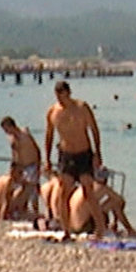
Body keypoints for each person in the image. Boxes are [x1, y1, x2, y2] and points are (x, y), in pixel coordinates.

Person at [44, 81, 103, 230]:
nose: (59, 99)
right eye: (57, 95)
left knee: (88, 191)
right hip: (66, 155)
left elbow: (94, 130)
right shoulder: (53, 112)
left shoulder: (81, 108)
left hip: (83, 154)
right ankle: (66, 230)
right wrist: (47, 159)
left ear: (68, 93)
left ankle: (100, 228)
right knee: (63, 193)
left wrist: (98, 153)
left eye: (61, 95)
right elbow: (49, 136)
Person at [0, 116, 41, 220]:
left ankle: (35, 214)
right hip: (20, 166)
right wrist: (14, 169)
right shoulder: (13, 139)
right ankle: (12, 211)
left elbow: (36, 150)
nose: (6, 132)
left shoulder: (25, 134)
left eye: (6, 129)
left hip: (31, 165)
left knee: (33, 191)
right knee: (12, 189)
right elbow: (15, 155)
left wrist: (38, 166)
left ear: (11, 126)